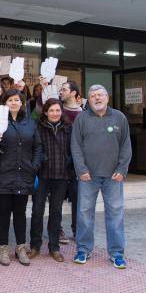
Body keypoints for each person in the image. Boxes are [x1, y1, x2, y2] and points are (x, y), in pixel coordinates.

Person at [71, 84, 132, 269]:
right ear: (88, 100)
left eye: (100, 95)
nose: (97, 99)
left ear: (107, 98)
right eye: (93, 96)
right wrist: (81, 170)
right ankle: (83, 249)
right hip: (88, 177)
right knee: (84, 214)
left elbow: (126, 146)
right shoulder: (81, 119)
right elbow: (75, 146)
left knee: (115, 215)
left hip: (113, 176)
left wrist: (122, 170)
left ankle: (116, 253)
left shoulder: (119, 117)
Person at [0, 89, 42, 267]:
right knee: (2, 213)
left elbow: (38, 148)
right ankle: (4, 247)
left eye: (17, 100)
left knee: (20, 213)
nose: (14, 102)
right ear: (5, 102)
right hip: (3, 173)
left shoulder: (30, 123)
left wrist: (34, 166)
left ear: (22, 102)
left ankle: (20, 247)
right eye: (10, 100)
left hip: (24, 173)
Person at [30, 99, 73, 262]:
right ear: (45, 112)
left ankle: (54, 247)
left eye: (58, 110)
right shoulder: (38, 127)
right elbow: (34, 149)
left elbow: (72, 149)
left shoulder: (68, 128)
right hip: (42, 175)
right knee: (37, 211)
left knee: (56, 212)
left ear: (61, 112)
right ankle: (35, 246)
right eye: (51, 110)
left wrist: (68, 163)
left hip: (61, 176)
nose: (55, 113)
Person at [59, 80, 83, 243]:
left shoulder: (84, 113)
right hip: (59, 161)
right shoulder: (57, 111)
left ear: (73, 93)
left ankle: (77, 230)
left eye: (64, 89)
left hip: (77, 163)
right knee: (57, 197)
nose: (61, 92)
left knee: (77, 197)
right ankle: (57, 229)